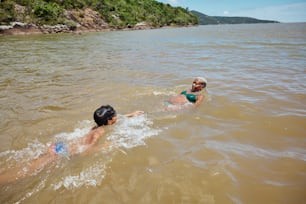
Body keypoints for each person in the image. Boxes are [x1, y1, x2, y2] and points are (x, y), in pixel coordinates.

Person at [0, 105, 143, 185]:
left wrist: (132, 114)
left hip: (60, 146)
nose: (117, 117)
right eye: (115, 116)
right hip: (62, 152)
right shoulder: (99, 133)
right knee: (26, 171)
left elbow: (119, 118)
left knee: (29, 163)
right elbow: (85, 151)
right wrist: (104, 146)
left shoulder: (97, 126)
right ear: (110, 121)